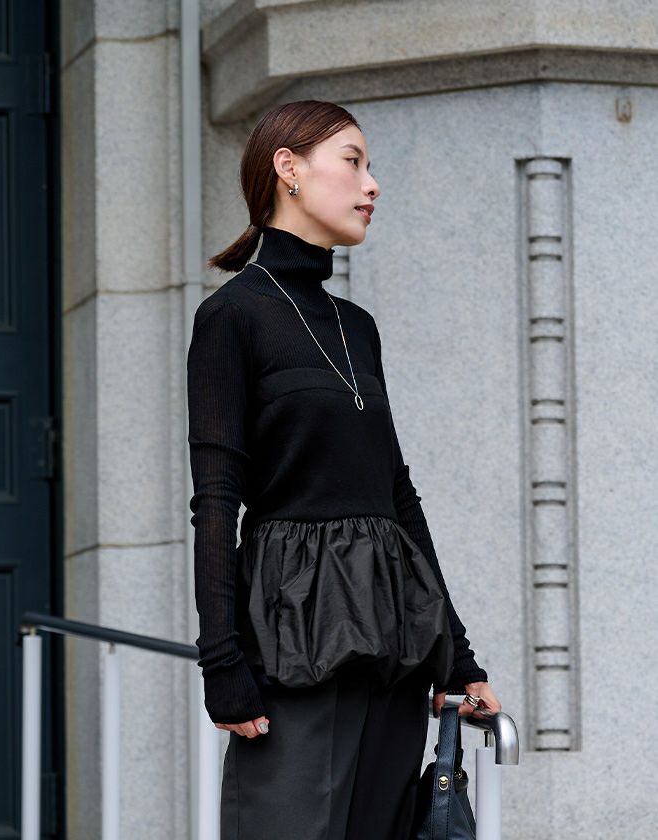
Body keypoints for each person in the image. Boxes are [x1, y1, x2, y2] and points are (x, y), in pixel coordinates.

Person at [187, 99, 502, 840]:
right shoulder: (232, 316)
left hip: (393, 638)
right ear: (288, 169)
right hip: (294, 636)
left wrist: (458, 658)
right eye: (353, 161)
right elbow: (216, 500)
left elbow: (397, 494)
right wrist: (220, 662)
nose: (372, 184)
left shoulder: (357, 327)